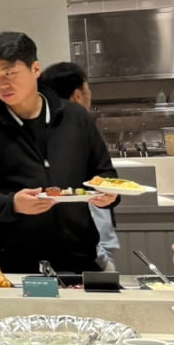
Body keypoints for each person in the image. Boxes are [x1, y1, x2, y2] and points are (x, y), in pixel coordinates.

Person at [0, 32, 118, 274]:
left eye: (10, 73)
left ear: (35, 69)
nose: (2, 84)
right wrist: (11, 204)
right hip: (11, 264)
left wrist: (110, 193)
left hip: (78, 259)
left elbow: (104, 173)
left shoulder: (76, 117)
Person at [39, 61, 120, 271]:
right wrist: (102, 257)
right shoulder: (78, 128)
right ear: (77, 95)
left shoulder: (42, 130)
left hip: (66, 247)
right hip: (86, 248)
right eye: (87, 89)